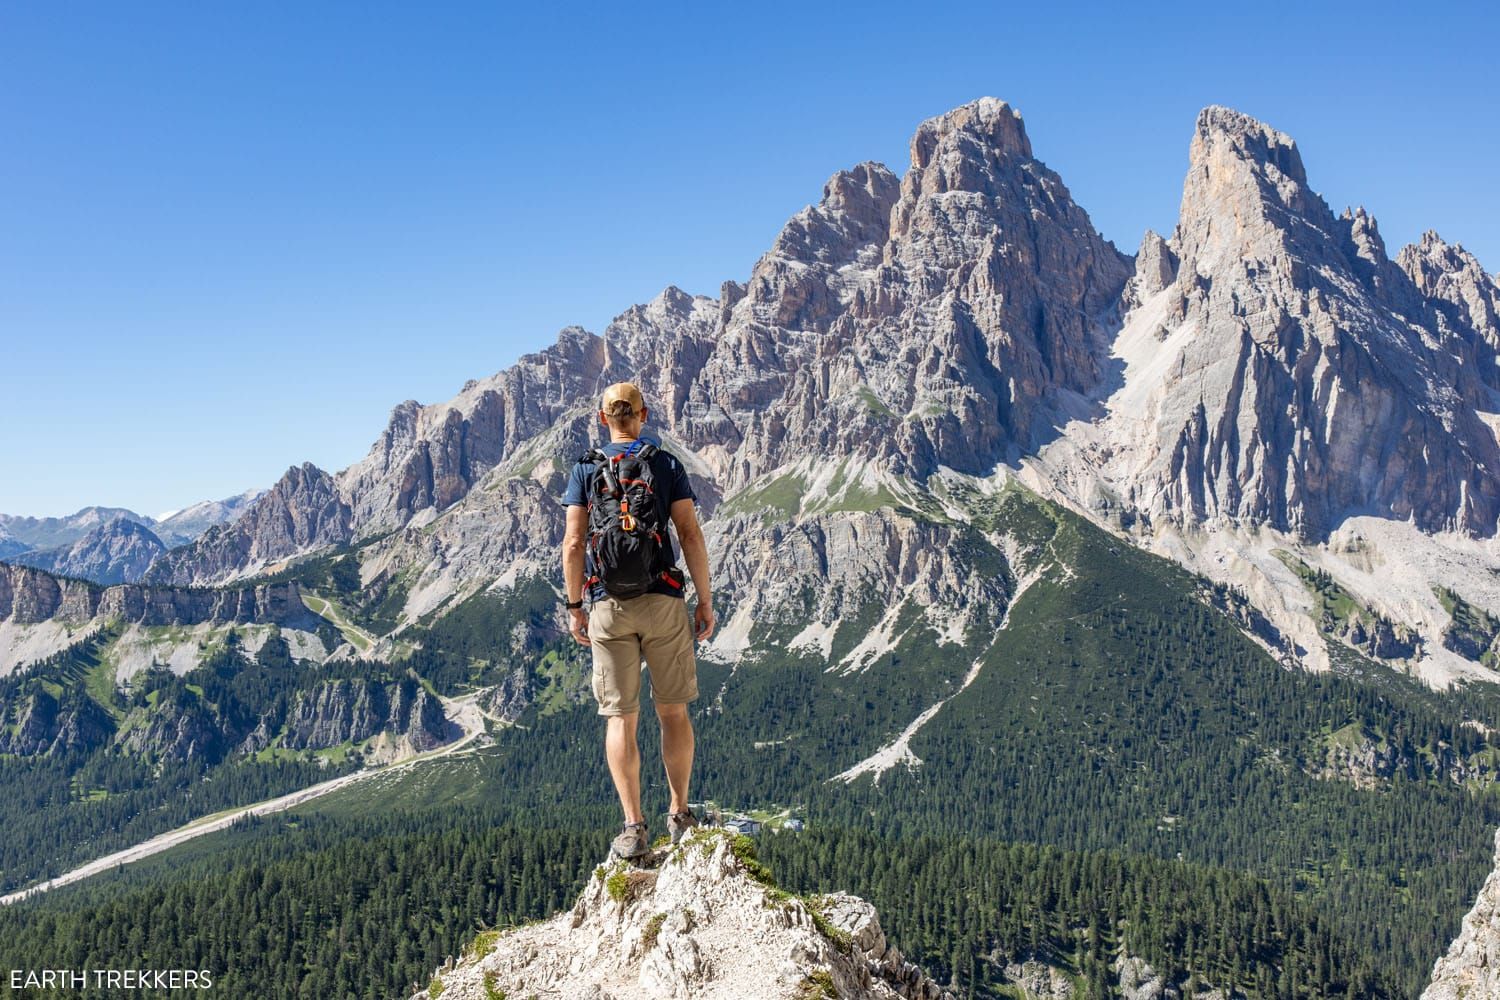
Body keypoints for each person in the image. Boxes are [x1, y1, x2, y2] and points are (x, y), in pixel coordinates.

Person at [560, 381, 716, 860]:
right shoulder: (666, 464)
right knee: (672, 711)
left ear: (602, 417)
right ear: (643, 414)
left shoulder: (585, 469)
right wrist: (704, 601)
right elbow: (689, 534)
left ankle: (633, 827)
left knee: (620, 719)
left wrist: (574, 608)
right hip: (664, 601)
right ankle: (681, 813)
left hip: (608, 605)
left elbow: (573, 543)